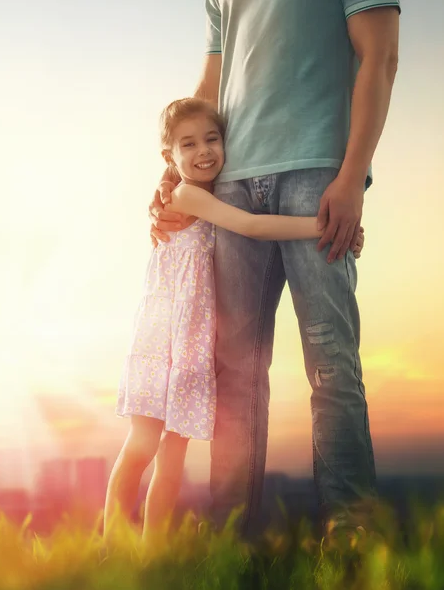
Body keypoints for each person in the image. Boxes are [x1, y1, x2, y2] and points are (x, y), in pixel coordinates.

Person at [149, 0, 401, 538]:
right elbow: (211, 87)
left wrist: (352, 178)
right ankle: (229, 542)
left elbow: (380, 56)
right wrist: (174, 173)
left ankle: (350, 538)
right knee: (235, 372)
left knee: (330, 360)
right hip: (233, 179)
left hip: (318, 171)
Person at [104, 97, 365, 546]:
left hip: (193, 342)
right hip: (163, 337)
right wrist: (323, 227)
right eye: (189, 144)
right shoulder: (184, 196)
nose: (204, 150)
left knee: (173, 453)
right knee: (143, 445)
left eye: (213, 138)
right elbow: (252, 226)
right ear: (170, 157)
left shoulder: (208, 190)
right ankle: (109, 544)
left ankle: (151, 557)